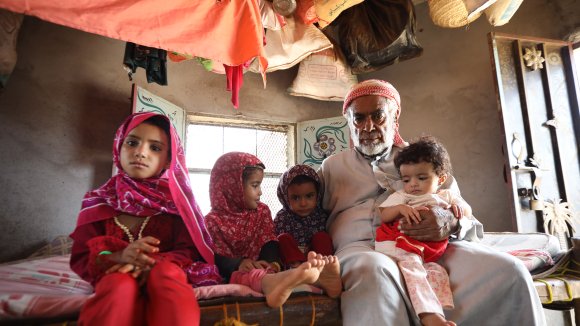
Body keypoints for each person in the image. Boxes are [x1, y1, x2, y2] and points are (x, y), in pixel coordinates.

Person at [319, 79, 546, 325]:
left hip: (431, 248)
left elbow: (462, 211)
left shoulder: (423, 158)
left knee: (509, 271)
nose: (368, 126)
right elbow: (304, 213)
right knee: (374, 270)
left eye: (378, 116)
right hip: (361, 247)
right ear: (349, 124)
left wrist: (449, 221)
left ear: (395, 117)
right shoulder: (332, 166)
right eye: (359, 118)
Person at [70, 112, 221, 326]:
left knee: (166, 275)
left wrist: (151, 263)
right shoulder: (97, 201)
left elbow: (188, 251)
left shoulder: (178, 205)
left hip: (164, 272)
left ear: (169, 159)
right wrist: (119, 257)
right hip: (115, 272)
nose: (140, 152)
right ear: (118, 148)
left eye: (155, 148)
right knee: (117, 285)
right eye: (132, 143)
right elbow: (83, 257)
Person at [205, 152, 341, 307]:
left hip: (267, 268)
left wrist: (272, 264)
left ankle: (310, 275)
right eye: (255, 185)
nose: (260, 192)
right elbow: (211, 256)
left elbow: (269, 240)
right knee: (249, 275)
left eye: (260, 185)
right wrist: (238, 263)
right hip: (239, 273)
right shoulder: (212, 222)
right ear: (232, 188)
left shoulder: (261, 211)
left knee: (269, 271)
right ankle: (294, 277)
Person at [376, 136, 473, 326]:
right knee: (413, 270)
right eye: (406, 179)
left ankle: (439, 309)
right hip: (399, 243)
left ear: (441, 179)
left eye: (421, 178)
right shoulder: (403, 196)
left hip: (426, 250)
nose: (413, 184)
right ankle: (430, 317)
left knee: (436, 271)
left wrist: (458, 212)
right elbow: (383, 215)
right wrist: (399, 209)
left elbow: (468, 212)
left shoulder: (446, 195)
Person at [274, 165, 334, 269]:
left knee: (322, 237)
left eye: (309, 196)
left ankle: (324, 268)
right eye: (296, 198)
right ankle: (298, 269)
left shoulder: (321, 216)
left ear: (317, 194)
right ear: (285, 197)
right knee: (282, 238)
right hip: (291, 263)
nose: (303, 203)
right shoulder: (282, 217)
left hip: (316, 260)